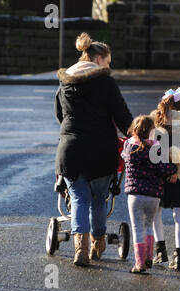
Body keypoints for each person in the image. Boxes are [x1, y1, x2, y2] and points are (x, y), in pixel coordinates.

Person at [55, 32, 133, 266]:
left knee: (78, 198)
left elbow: (59, 114)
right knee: (99, 198)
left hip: (72, 150)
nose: (109, 67)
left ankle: (80, 249)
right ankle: (98, 244)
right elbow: (122, 117)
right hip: (102, 150)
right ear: (98, 59)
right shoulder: (106, 83)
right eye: (108, 62)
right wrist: (138, 136)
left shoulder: (65, 82)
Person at [121, 115, 178, 273]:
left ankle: (139, 263)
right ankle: (149, 259)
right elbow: (164, 168)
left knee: (137, 227)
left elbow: (123, 157)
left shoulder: (128, 146)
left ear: (135, 129)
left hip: (135, 195)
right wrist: (173, 169)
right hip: (154, 195)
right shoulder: (156, 149)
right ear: (151, 131)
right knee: (148, 226)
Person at [151, 88, 180, 271]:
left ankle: (160, 250)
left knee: (156, 211)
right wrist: (175, 169)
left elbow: (153, 148)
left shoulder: (156, 122)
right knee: (179, 214)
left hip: (159, 171)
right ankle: (179, 255)